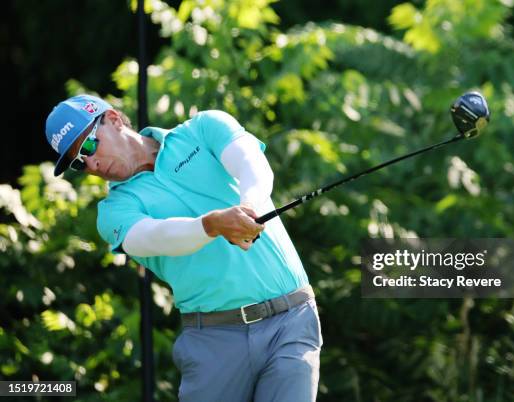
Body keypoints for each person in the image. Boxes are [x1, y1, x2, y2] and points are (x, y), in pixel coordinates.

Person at [44, 94, 322, 402]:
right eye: (79, 164)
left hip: (292, 320)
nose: (92, 164)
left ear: (114, 119)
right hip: (215, 340)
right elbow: (156, 237)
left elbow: (252, 165)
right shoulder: (113, 211)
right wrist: (213, 224)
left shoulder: (203, 128)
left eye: (88, 147)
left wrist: (250, 208)